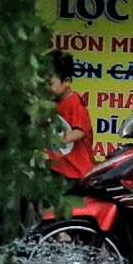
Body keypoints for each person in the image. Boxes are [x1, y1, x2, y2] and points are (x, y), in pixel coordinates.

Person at [48, 50, 95, 180]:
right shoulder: (50, 103)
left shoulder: (74, 102)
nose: (46, 87)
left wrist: (58, 142)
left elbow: (79, 132)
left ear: (67, 81)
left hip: (76, 172)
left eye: (50, 84)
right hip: (58, 169)